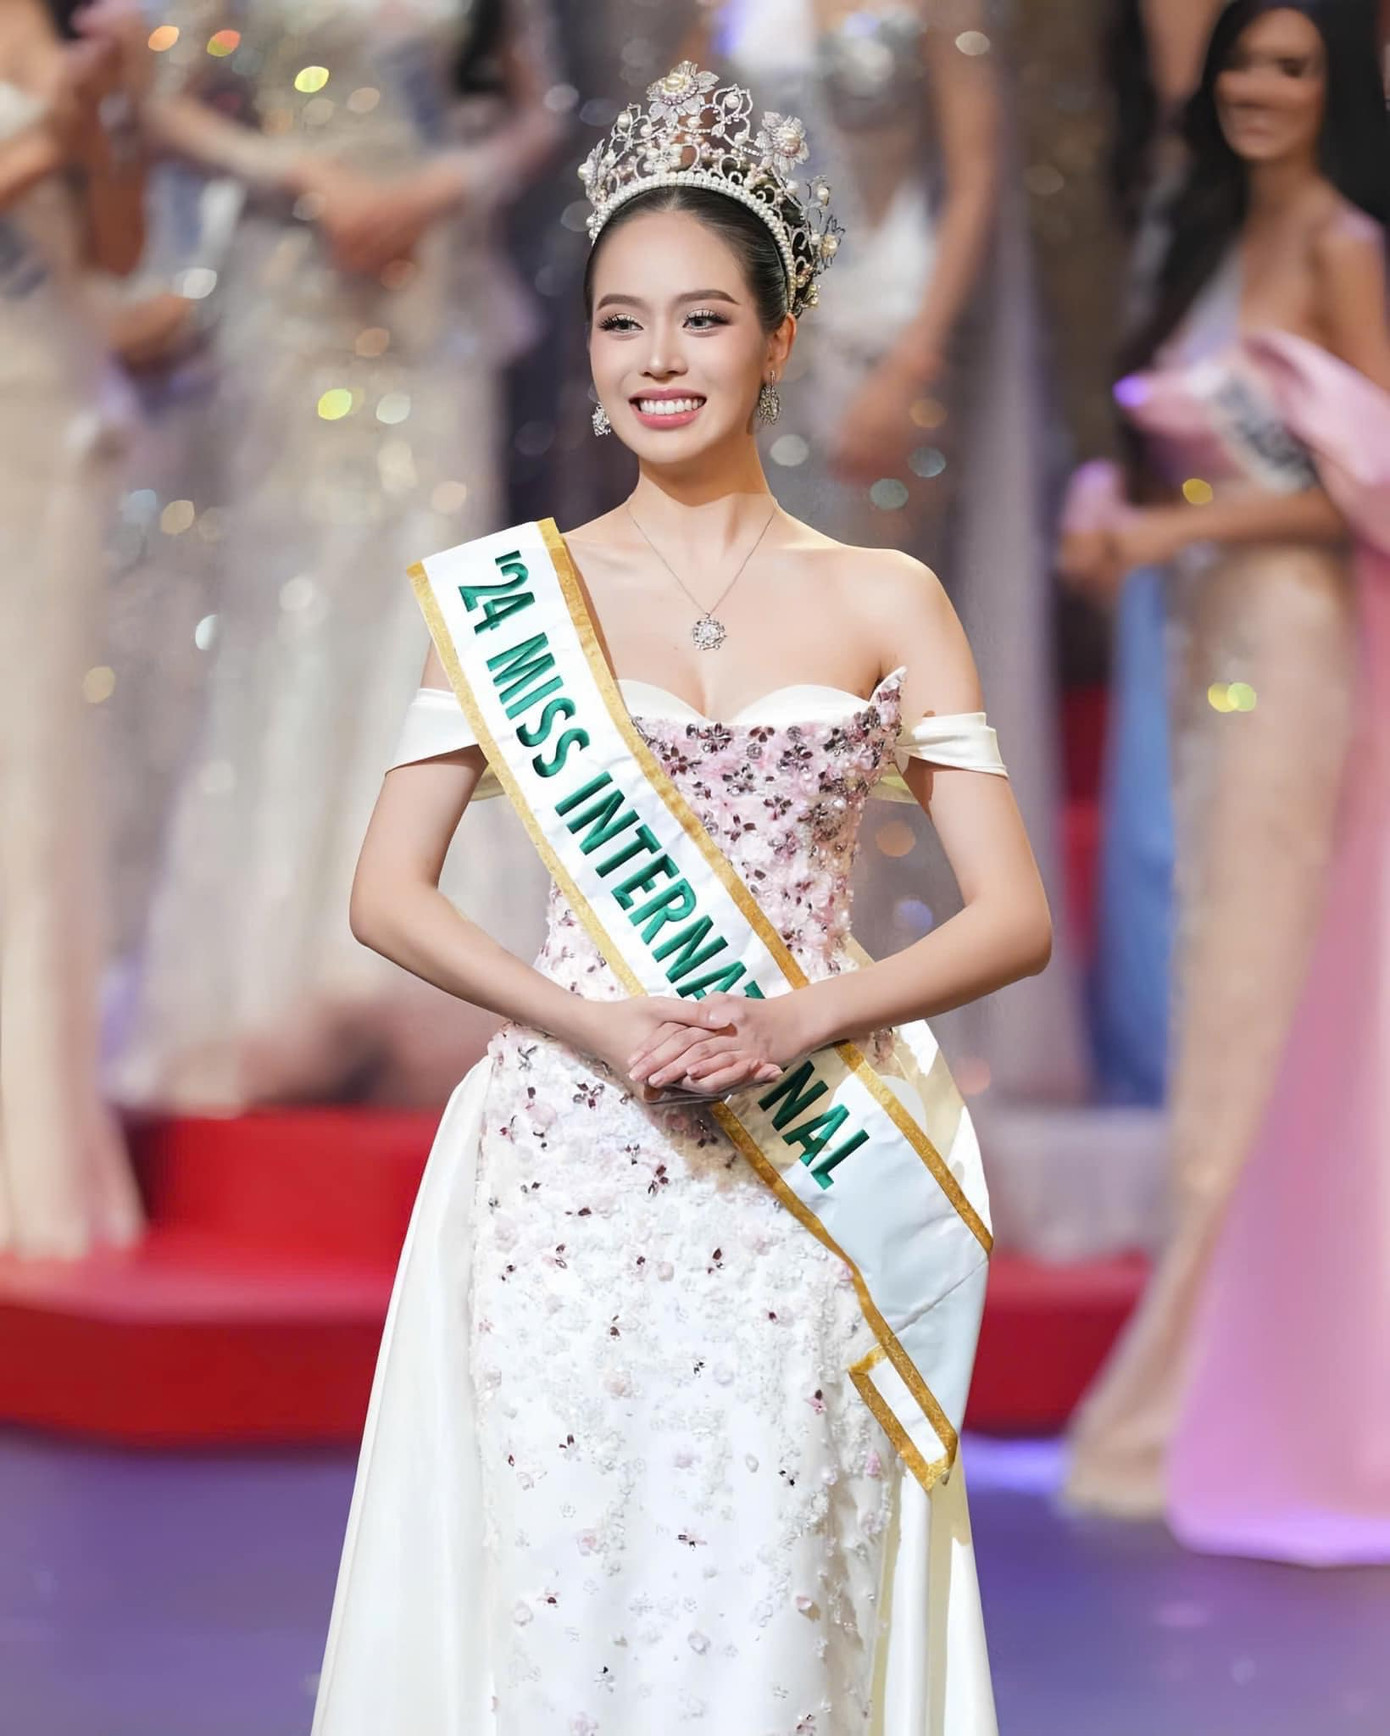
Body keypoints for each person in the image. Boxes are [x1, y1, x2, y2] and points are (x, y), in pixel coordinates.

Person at [311, 64, 1051, 1733]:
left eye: (702, 320)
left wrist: (800, 1018)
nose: (657, 359)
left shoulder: (888, 597)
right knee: (567, 1583)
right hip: (569, 1159)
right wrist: (593, 1027)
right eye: (620, 322)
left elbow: (1011, 915)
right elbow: (386, 894)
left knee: (774, 1583)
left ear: (777, 340)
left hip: (806, 1155)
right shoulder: (517, 597)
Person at [1061, 0, 1390, 1546]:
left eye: (1292, 65)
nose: (1259, 86)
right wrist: (1107, 506)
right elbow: (1156, 438)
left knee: (1255, 1001)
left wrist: (1168, 533)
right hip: (1200, 646)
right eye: (1245, 61)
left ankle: (1217, 1386)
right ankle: (1221, 1367)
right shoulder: (1199, 234)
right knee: (1218, 987)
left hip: (1293, 642)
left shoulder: (1338, 246)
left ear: (1334, 89)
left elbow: (1365, 482)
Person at [108, 0, 562, 1110]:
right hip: (292, 293)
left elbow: (538, 108)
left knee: (433, 608)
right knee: (292, 611)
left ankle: (427, 959)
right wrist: (301, 171)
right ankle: (271, 976)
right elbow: (159, 100)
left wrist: (439, 186)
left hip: (431, 294)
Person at [683, 0, 1086, 1117]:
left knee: (867, 679)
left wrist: (914, 358)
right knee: (752, 649)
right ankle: (756, 967)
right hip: (767, 354)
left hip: (882, 340)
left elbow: (975, 177)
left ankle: (891, 989)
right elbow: (680, 139)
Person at [0, 0, 151, 1256]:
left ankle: (35, 1153)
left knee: (34, 789)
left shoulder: (81, 49)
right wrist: (50, 136)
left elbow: (118, 247)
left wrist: (99, 130)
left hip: (46, 428)